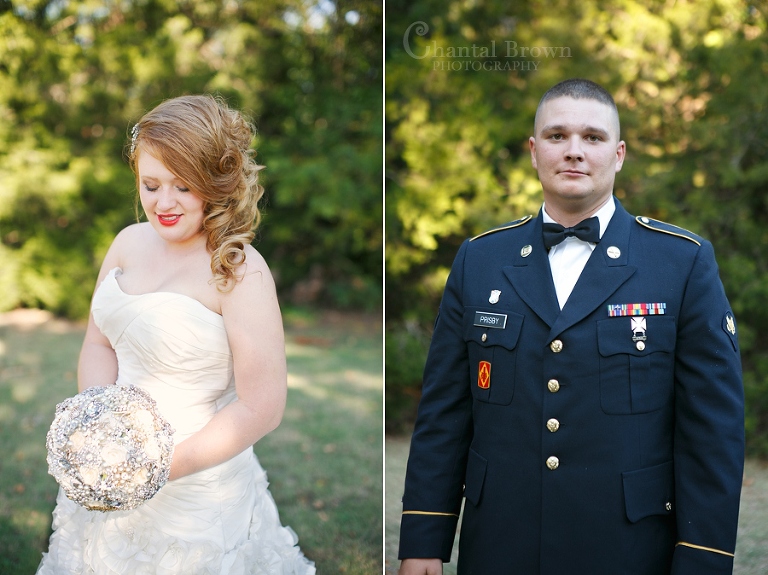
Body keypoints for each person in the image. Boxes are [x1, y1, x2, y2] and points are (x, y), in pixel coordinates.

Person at [397, 79, 744, 574]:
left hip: (628, 548)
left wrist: (703, 559)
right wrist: (424, 540)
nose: (574, 151)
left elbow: (714, 430)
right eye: (557, 136)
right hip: (500, 543)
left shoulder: (681, 262)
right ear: (535, 152)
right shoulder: (480, 260)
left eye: (593, 138)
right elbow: (444, 415)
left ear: (619, 154)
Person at [37, 94, 315, 574]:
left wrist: (155, 470)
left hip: (198, 493)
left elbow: (262, 407)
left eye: (183, 186)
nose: (163, 203)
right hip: (112, 467)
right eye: (150, 184)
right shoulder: (127, 242)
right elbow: (98, 342)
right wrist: (105, 433)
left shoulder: (239, 271)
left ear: (216, 183)